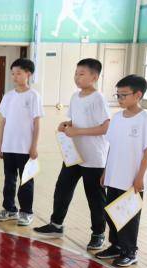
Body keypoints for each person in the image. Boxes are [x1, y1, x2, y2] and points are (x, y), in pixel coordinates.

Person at [34, 58, 110, 250]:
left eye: (82, 74)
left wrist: (78, 132)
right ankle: (56, 224)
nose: (77, 77)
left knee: (95, 197)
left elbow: (105, 127)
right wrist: (67, 125)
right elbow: (77, 121)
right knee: (62, 188)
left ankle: (98, 233)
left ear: (94, 76)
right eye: (76, 73)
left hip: (93, 157)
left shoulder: (98, 98)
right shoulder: (75, 97)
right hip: (74, 154)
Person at [95, 75, 147, 267]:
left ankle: (130, 251)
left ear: (138, 95)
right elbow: (111, 146)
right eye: (118, 95)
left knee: (129, 216)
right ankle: (116, 246)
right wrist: (106, 171)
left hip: (132, 181)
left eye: (124, 95)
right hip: (114, 176)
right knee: (113, 214)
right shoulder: (116, 118)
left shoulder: (145, 120)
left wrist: (139, 177)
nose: (120, 99)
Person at [0, 58, 44, 226]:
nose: (14, 77)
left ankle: (26, 211)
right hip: (9, 146)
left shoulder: (34, 96)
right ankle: (9, 209)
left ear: (28, 74)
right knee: (9, 180)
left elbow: (37, 123)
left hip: (25, 148)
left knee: (26, 182)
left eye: (18, 73)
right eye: (13, 74)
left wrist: (34, 146)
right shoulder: (8, 96)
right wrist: (0, 143)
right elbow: (3, 121)